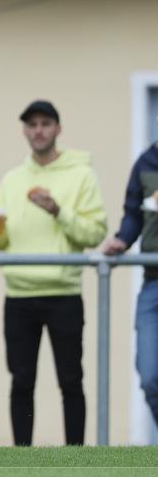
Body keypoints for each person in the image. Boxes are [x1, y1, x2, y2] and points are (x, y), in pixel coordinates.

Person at [0, 100, 107, 446]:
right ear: (24, 130)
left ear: (58, 129)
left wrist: (59, 211)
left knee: (71, 379)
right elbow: (0, 241)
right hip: (19, 294)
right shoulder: (12, 178)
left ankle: (77, 456)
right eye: (32, 124)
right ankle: (21, 457)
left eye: (45, 124)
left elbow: (95, 233)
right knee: (21, 380)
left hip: (64, 292)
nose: (38, 131)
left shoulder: (81, 174)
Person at [103, 143, 158, 429]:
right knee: (149, 375)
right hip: (154, 284)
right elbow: (133, 214)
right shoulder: (146, 162)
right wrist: (123, 239)